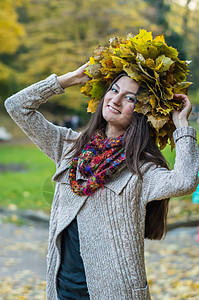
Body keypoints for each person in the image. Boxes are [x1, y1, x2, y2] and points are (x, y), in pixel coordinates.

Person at [5, 31, 199, 300]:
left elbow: (185, 180)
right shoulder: (69, 146)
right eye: (114, 90)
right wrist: (69, 79)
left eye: (130, 98)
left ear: (143, 111)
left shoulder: (140, 170)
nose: (116, 100)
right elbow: (16, 106)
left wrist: (182, 127)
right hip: (62, 290)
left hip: (115, 294)